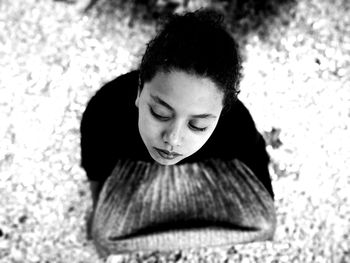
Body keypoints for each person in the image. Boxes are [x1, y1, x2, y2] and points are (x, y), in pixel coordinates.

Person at [80, 8, 276, 257]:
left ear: (221, 114)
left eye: (197, 126)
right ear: (140, 91)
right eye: (160, 114)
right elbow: (95, 165)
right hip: (137, 173)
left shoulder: (234, 123)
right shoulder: (106, 109)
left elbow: (256, 156)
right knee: (105, 234)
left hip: (207, 172)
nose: (172, 138)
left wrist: (264, 201)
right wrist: (98, 208)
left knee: (264, 223)